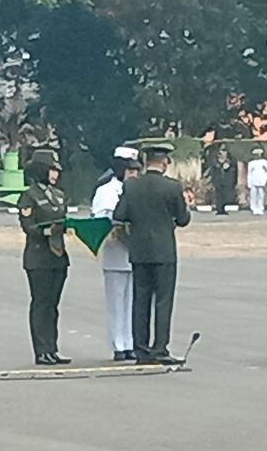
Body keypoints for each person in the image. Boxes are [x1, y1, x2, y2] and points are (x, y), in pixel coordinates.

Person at [113, 141, 192, 365]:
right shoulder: (172, 187)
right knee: (163, 301)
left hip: (139, 250)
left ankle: (141, 349)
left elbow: (119, 216)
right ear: (165, 162)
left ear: (146, 162)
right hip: (164, 250)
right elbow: (183, 220)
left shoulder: (132, 186)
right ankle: (160, 348)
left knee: (141, 300)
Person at [17, 151, 72, 366]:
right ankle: (41, 350)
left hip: (58, 256)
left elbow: (64, 218)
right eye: (51, 169)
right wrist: (49, 230)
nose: (55, 174)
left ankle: (52, 348)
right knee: (41, 304)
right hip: (38, 257)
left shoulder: (59, 195)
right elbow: (28, 226)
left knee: (53, 305)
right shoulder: (29, 196)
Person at [91, 146, 143, 362]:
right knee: (116, 303)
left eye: (136, 170)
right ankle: (117, 344)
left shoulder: (138, 190)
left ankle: (130, 342)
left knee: (132, 303)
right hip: (116, 254)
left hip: (136, 254)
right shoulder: (106, 191)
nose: (134, 174)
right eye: (130, 170)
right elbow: (101, 220)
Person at [210, 146, 236, 216]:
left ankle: (223, 208)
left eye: (224, 151)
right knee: (218, 196)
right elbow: (212, 171)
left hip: (226, 181)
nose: (222, 153)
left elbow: (233, 170)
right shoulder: (215, 162)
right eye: (221, 151)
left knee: (225, 195)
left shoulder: (230, 161)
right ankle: (219, 209)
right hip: (218, 181)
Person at [246, 147, 267, 216]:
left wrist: (265, 178)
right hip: (254, 181)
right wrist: (249, 182)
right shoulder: (251, 163)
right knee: (253, 195)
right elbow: (249, 173)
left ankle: (260, 208)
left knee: (261, 195)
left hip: (261, 180)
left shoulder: (264, 162)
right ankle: (254, 208)